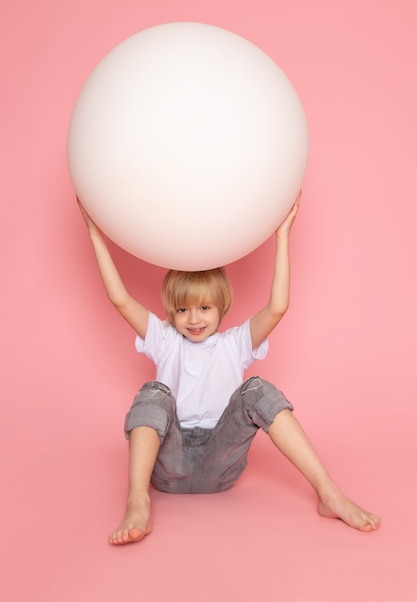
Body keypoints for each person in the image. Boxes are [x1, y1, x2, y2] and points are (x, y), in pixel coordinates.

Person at [78, 194, 381, 545]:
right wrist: (96, 236)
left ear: (222, 308)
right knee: (154, 391)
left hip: (219, 466)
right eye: (182, 310)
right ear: (171, 313)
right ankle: (137, 503)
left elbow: (278, 307)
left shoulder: (235, 344)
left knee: (257, 388)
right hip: (168, 466)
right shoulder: (163, 339)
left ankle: (330, 494)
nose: (194, 319)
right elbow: (119, 298)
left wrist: (282, 237)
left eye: (204, 308)